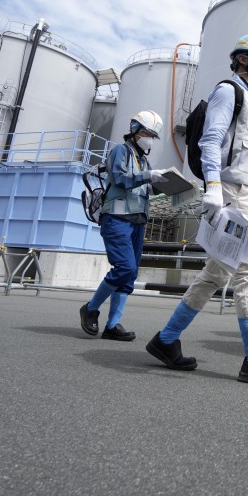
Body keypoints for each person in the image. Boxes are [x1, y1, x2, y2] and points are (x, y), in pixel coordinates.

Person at [145, 34, 248, 387]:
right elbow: (210, 140)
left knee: (214, 275)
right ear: (243, 59)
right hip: (229, 191)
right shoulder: (229, 91)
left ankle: (166, 340)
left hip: (247, 194)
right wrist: (213, 186)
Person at [79, 110, 167, 342]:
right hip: (117, 219)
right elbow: (118, 179)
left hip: (137, 221)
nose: (150, 139)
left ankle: (112, 325)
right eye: (147, 133)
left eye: (153, 136)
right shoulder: (120, 150)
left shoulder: (143, 159)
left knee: (129, 275)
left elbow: (143, 189)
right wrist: (149, 176)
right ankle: (90, 308)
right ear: (135, 131)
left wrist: (166, 185)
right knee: (125, 268)